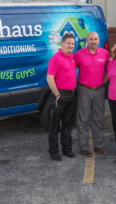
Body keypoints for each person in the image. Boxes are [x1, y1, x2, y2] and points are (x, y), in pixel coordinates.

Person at [74, 31, 110, 157]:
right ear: (87, 41)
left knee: (98, 119)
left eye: (95, 39)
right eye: (91, 39)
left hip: (99, 90)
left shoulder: (105, 53)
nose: (93, 41)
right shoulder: (79, 54)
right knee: (82, 119)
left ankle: (99, 146)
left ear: (98, 41)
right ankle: (84, 147)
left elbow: (108, 70)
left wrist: (102, 83)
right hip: (84, 89)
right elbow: (72, 69)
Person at [47, 33, 77, 161]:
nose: (71, 45)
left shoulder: (72, 57)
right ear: (62, 44)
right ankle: (53, 151)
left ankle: (67, 149)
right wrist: (57, 95)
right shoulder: (56, 58)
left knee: (68, 125)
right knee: (55, 126)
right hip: (60, 95)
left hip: (71, 95)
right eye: (68, 43)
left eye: (73, 44)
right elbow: (50, 78)